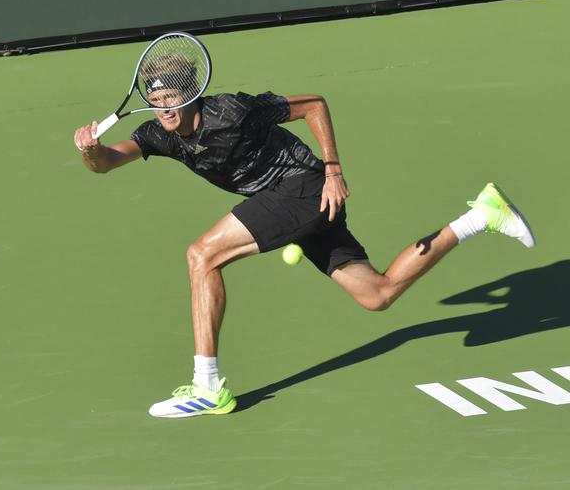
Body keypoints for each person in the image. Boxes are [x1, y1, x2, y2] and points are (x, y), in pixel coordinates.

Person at [74, 73, 535, 418]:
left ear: (191, 93)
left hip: (304, 185)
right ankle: (480, 217)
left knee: (202, 255)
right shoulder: (160, 132)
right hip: (295, 202)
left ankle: (207, 386)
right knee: (377, 294)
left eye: (170, 98)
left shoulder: (232, 110)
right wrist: (89, 150)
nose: (162, 109)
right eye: (154, 101)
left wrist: (333, 168)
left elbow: (313, 102)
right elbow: (108, 162)